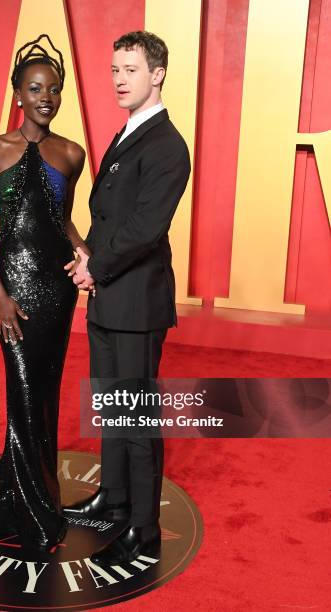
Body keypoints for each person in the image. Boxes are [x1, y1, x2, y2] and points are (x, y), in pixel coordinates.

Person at [63, 31, 191, 565]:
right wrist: (89, 261)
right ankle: (113, 498)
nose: (119, 79)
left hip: (136, 302)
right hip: (108, 295)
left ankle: (145, 527)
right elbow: (108, 216)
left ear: (157, 73)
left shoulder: (168, 144)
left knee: (136, 418)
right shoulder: (128, 132)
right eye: (115, 69)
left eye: (131, 69)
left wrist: (96, 265)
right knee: (111, 407)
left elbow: (143, 228)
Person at [0, 34, 87, 552]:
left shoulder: (72, 154)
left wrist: (85, 251)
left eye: (54, 90)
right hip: (11, 289)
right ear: (18, 93)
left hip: (57, 292)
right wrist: (0, 295)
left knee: (46, 393)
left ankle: (30, 493)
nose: (46, 98)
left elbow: (61, 221)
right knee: (23, 393)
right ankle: (35, 510)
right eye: (35, 88)